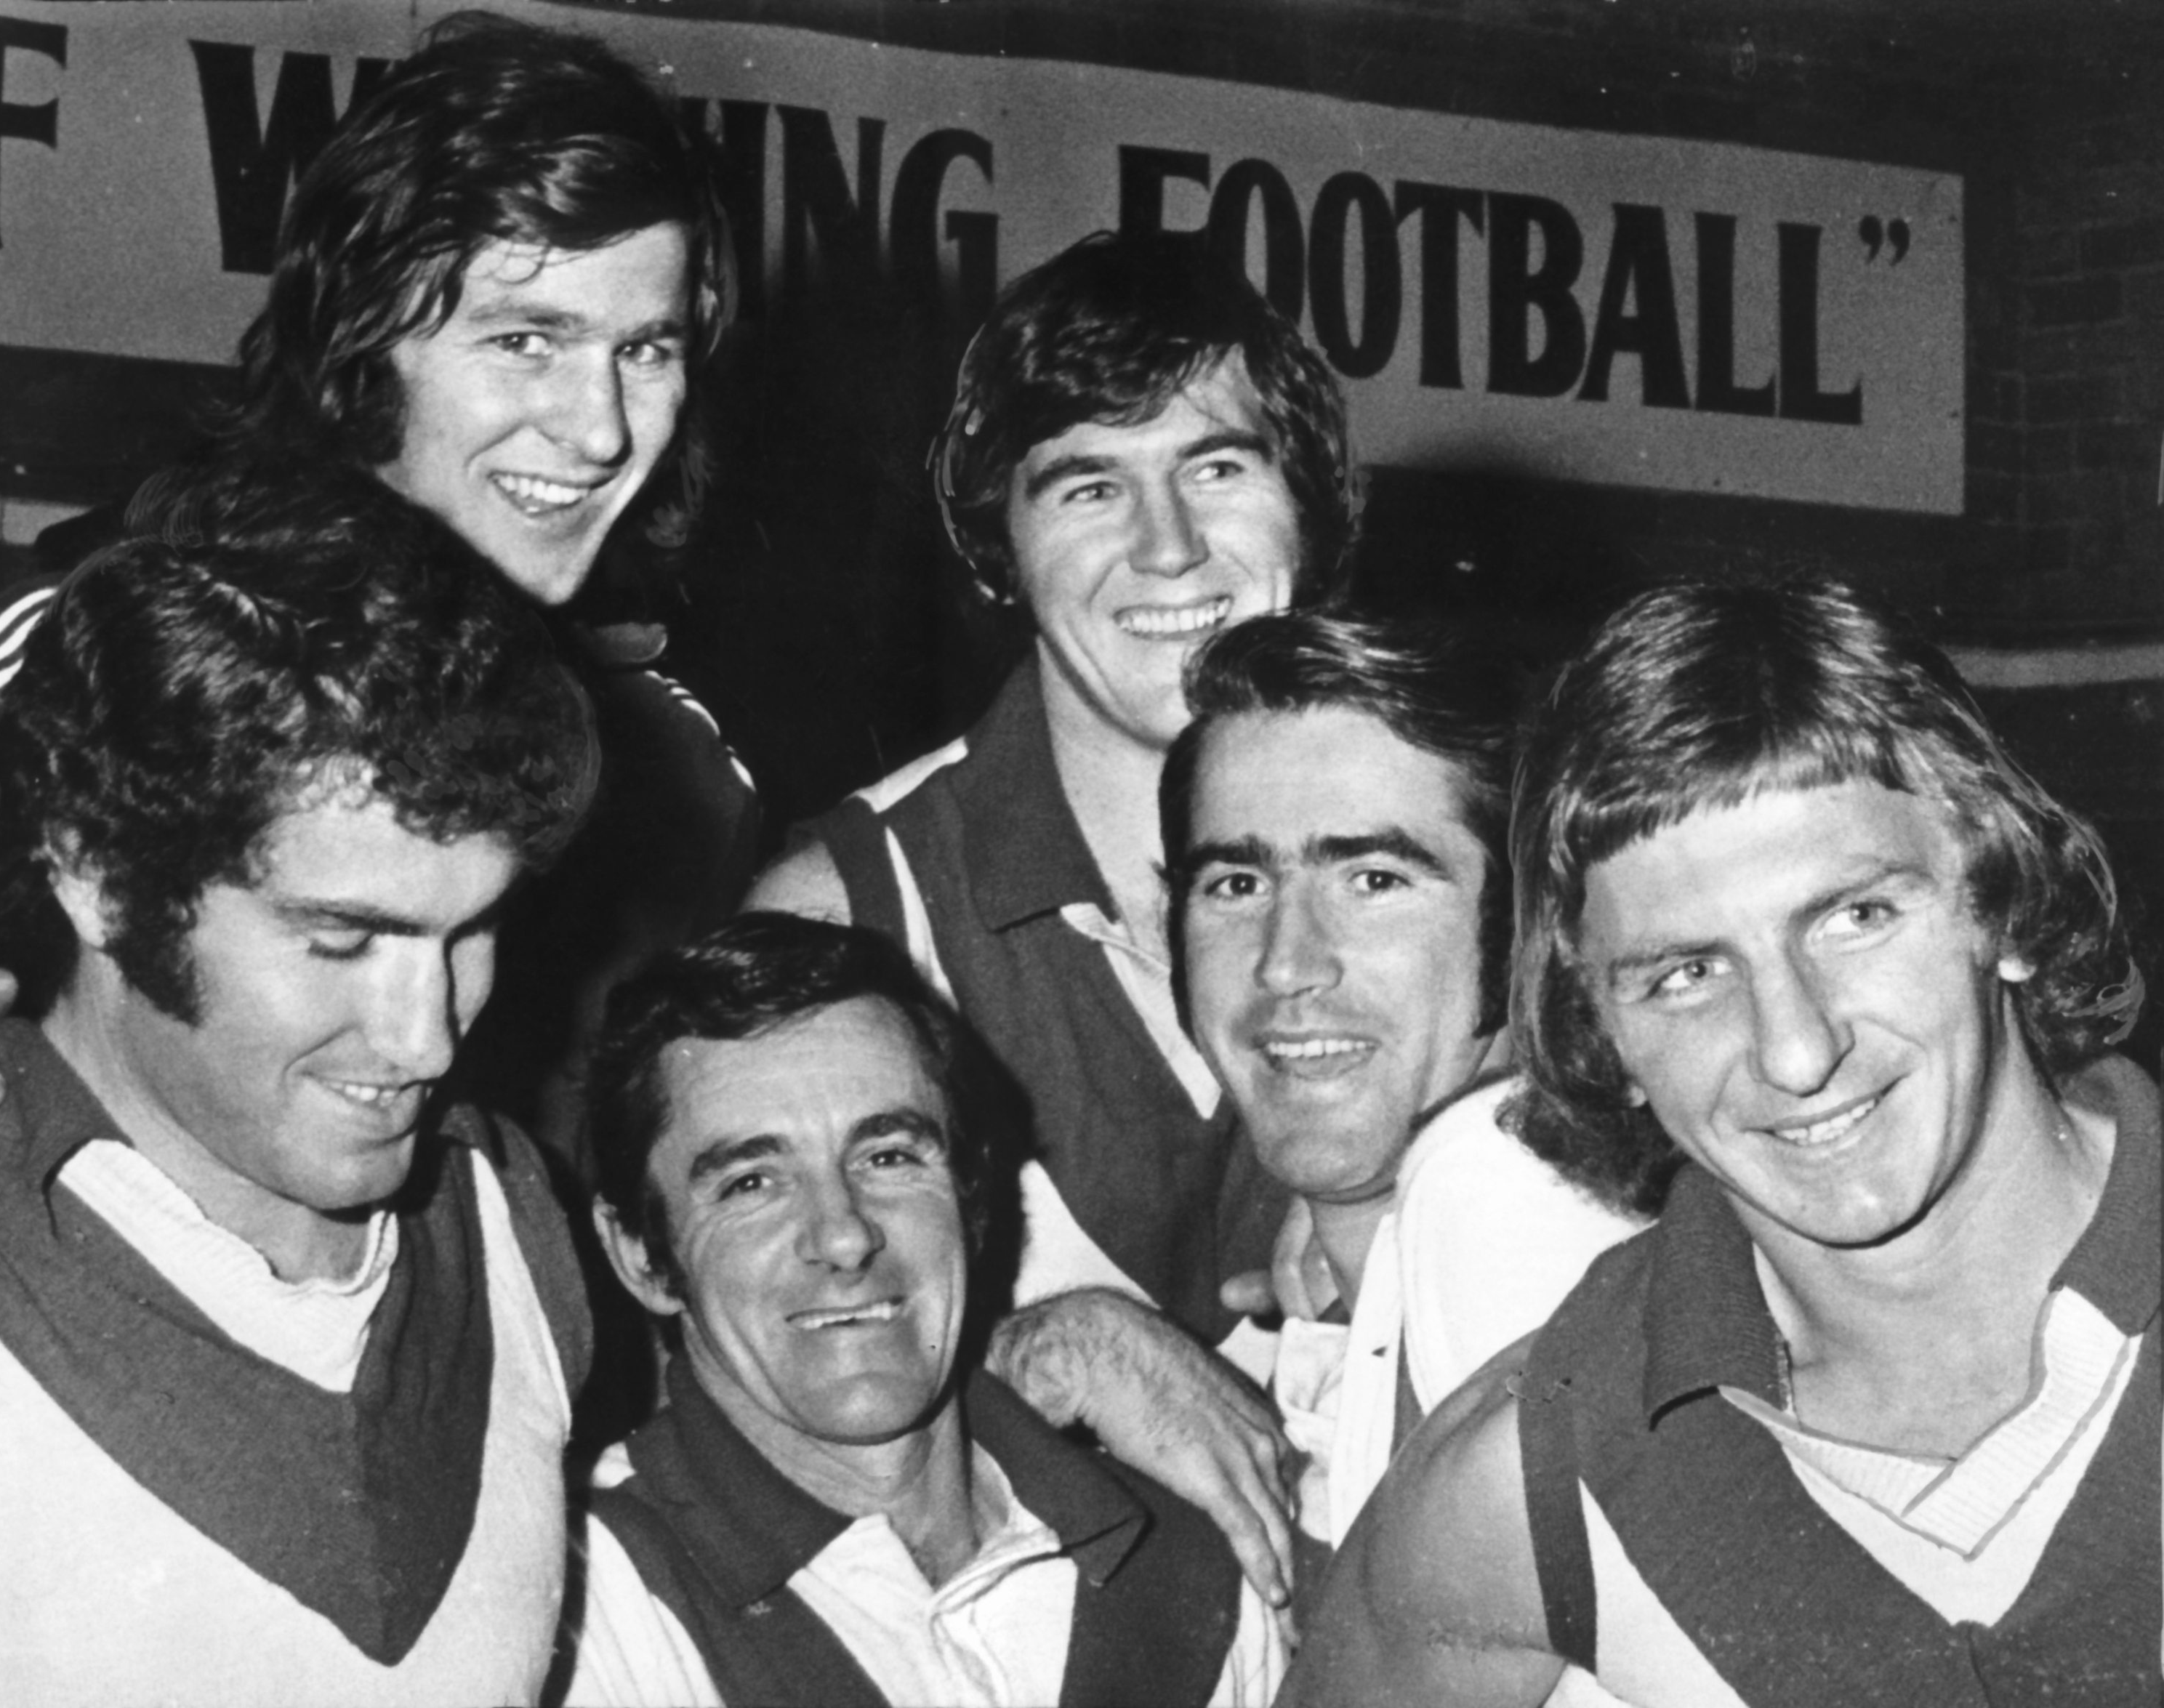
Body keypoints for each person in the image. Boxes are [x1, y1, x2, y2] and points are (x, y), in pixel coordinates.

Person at [0, 475, 603, 1705]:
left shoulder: (509, 1223)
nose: (425, 1037)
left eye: (471, 932)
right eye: (339, 940)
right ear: (99, 878)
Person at [1286, 575, 2159, 1705]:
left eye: (1853, 917)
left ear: (2001, 906)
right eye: (1685, 974)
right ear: (1601, 1034)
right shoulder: (1534, 1474)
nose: (1794, 1050)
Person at [0, 8, 757, 1169]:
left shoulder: (676, 774)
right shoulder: (79, 654)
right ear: (360, 344)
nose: (600, 431)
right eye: (524, 341)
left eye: (645, 351)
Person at [749, 228, 1359, 1601]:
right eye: (1089, 485)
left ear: (1305, 504)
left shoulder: (1461, 861)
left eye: (1217, 466)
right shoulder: (849, 916)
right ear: (1000, 548)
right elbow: (729, 1414)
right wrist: (1035, 1355)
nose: (1167, 546)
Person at [563, 911, 1289, 1707]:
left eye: (887, 1156)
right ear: (640, 1255)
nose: (844, 1235)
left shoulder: (1188, 1564)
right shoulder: (583, 1607)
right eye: (751, 1183)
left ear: (972, 1202)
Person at [1161, 611, 1644, 1606]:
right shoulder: (1387, 1276)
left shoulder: (1504, 1215)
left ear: (1529, 926)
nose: (1287, 962)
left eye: (1373, 880)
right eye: (1236, 882)